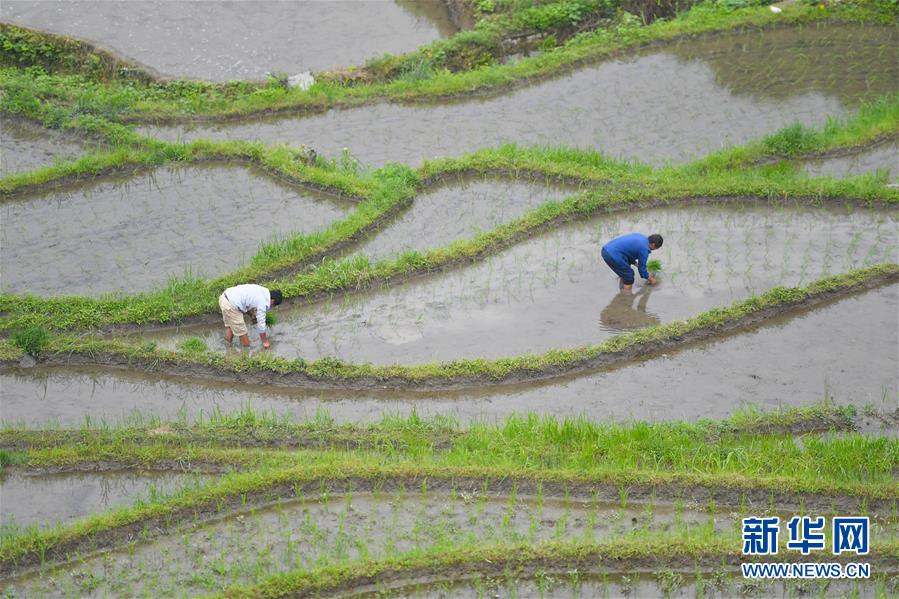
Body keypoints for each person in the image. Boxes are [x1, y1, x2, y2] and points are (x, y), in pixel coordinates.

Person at [219, 284, 282, 349]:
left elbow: (245, 301)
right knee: (244, 336)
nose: (270, 306)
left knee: (230, 327)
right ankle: (246, 352)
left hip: (224, 298)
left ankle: (228, 348)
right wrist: (265, 341)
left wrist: (251, 315)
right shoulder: (264, 303)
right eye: (273, 305)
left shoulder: (263, 290)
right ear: (273, 301)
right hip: (231, 306)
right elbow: (261, 324)